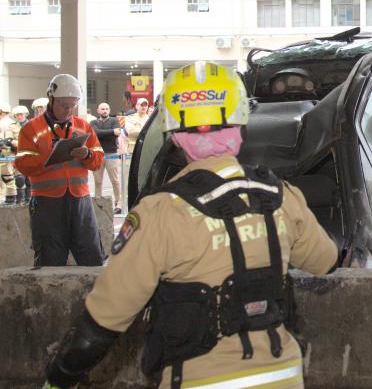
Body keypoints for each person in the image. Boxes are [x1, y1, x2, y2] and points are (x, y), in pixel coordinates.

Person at [43, 61, 338, 389]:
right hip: (284, 375)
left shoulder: (159, 213)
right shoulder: (281, 195)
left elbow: (103, 319)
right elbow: (324, 261)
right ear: (241, 125)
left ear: (174, 135)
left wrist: (60, 374)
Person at [14, 74, 106, 267]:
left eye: (72, 105)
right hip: (47, 203)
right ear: (51, 99)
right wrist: (47, 158)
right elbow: (22, 164)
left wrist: (87, 155)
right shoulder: (31, 129)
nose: (68, 110)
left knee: (92, 257)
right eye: (64, 105)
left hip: (80, 201)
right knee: (50, 260)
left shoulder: (83, 126)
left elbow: (98, 161)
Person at [90, 103, 124, 215]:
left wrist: (104, 133)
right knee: (98, 181)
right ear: (98, 111)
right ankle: (98, 203)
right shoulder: (93, 123)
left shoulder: (114, 121)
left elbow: (117, 133)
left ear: (109, 110)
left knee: (115, 180)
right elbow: (95, 133)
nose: (105, 111)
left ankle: (118, 204)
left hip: (112, 154)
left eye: (107, 109)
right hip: (98, 154)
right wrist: (111, 132)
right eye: (102, 109)